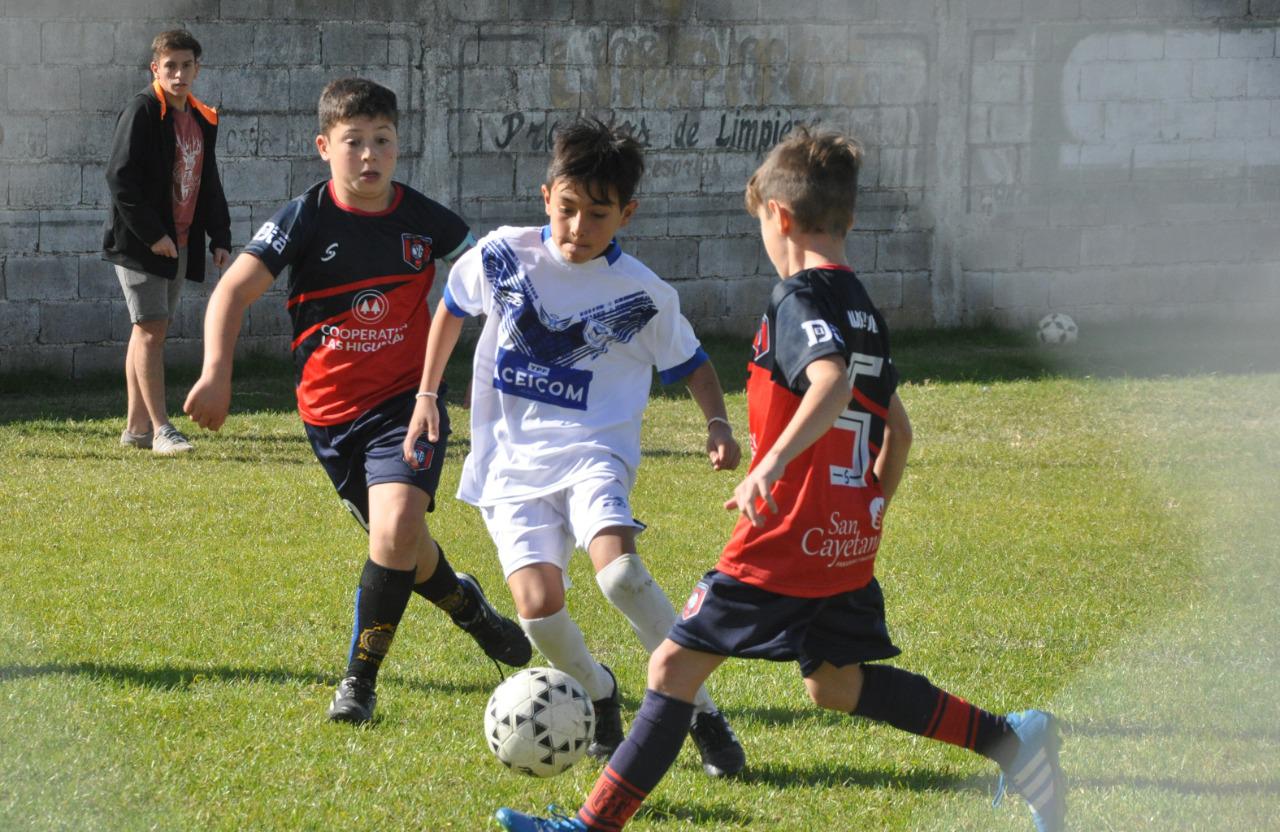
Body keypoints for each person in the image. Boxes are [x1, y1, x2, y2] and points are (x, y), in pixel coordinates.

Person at [493, 129, 1067, 832]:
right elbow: (898, 427)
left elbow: (826, 386)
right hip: (846, 539)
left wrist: (770, 464)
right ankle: (1011, 740)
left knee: (672, 667)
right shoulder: (863, 306)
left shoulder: (800, 299)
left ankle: (590, 827)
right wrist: (872, 503)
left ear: (779, 218)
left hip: (787, 539)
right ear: (848, 220)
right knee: (835, 684)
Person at [404, 118, 747, 778]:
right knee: (538, 613)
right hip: (510, 465)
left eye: (598, 214)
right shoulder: (504, 256)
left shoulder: (643, 294)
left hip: (595, 452)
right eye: (567, 209)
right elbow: (450, 306)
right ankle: (599, 693)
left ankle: (700, 713)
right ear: (546, 197)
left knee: (620, 572)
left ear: (627, 214)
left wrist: (718, 425)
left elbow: (694, 363)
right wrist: (426, 393)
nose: (578, 228)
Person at [183, 77, 531, 724]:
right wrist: (215, 373)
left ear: (399, 146)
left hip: (409, 401)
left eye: (382, 142)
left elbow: (495, 273)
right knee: (400, 543)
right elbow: (231, 292)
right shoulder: (305, 218)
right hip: (328, 417)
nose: (369, 156)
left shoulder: (425, 219)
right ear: (324, 146)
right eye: (353, 143)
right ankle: (469, 609)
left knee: (396, 529)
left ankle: (359, 684)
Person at [103, 29, 232, 455]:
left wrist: (220, 236)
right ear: (155, 69)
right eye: (170, 66)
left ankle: (136, 430)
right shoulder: (141, 110)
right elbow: (119, 180)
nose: (178, 73)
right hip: (142, 243)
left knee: (148, 331)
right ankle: (162, 430)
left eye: (186, 65)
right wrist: (153, 235)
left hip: (179, 242)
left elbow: (207, 181)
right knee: (152, 330)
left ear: (198, 68)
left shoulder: (201, 117)